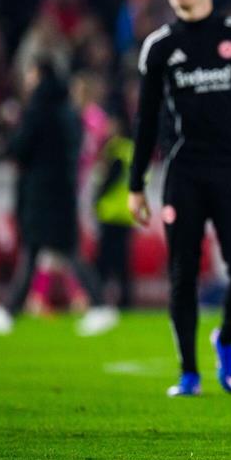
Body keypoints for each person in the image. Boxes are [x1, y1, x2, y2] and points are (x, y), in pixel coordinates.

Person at [128, 0, 231, 397]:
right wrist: (135, 186)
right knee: (182, 274)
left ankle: (224, 338)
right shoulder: (160, 46)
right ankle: (189, 373)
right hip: (183, 173)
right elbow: (145, 122)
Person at [0, 59, 118, 337]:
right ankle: (10, 310)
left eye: (30, 75)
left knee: (44, 250)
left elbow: (20, 149)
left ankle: (97, 306)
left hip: (41, 194)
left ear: (39, 76)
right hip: (63, 191)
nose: (27, 80)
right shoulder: (69, 113)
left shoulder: (37, 111)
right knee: (51, 251)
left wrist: (10, 130)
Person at [94, 100, 136, 309]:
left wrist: (97, 195)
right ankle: (125, 301)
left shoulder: (115, 149)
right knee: (122, 264)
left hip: (111, 212)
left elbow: (110, 178)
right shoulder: (131, 148)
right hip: (127, 212)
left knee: (104, 261)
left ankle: (98, 299)